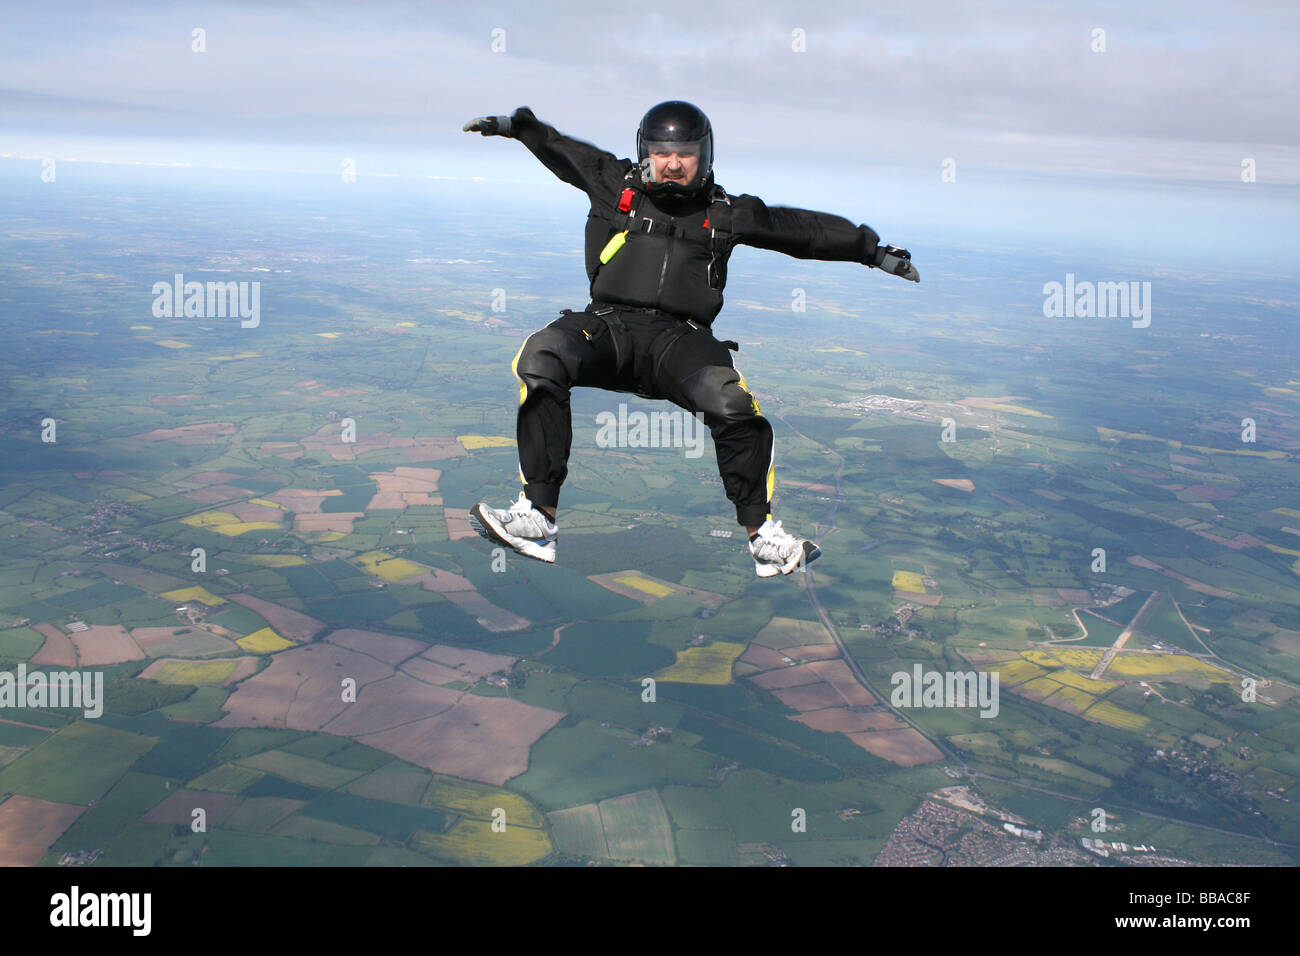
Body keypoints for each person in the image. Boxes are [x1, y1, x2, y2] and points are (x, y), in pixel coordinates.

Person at [462, 102, 919, 577]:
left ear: (704, 156)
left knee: (733, 405)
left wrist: (874, 252)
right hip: (608, 329)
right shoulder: (614, 186)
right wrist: (518, 127)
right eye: (662, 153)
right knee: (541, 356)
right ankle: (538, 516)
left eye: (685, 154)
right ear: (645, 152)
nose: (673, 163)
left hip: (680, 343)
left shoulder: (723, 214)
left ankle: (762, 536)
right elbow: (562, 151)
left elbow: (802, 230)